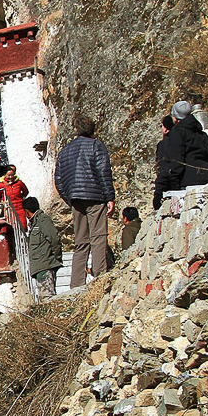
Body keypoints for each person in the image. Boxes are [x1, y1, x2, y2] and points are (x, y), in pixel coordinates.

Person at [54, 114, 116, 289]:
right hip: (95, 195)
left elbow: (58, 180)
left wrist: (69, 198)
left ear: (76, 130)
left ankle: (77, 283)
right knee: (98, 237)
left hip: (75, 198)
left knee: (81, 242)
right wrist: (109, 197)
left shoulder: (65, 151)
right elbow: (103, 172)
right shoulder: (96, 146)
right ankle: (100, 276)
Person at [153, 101, 208, 210]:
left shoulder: (177, 133)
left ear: (175, 117)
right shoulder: (201, 134)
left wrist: (173, 187)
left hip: (189, 182)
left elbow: (176, 162)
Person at [23, 197, 63, 300]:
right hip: (40, 266)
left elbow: (54, 239)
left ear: (27, 211)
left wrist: (56, 257)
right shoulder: (34, 224)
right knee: (44, 297)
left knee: (47, 297)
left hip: (46, 265)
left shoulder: (43, 220)